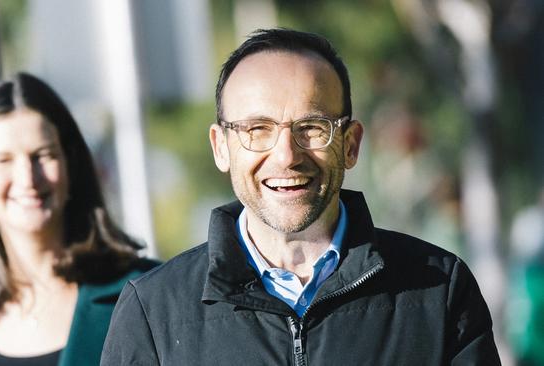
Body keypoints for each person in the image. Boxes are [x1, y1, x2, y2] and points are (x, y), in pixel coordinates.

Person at [101, 29, 501, 365]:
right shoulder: (153, 313)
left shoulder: (438, 292)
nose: (287, 156)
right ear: (221, 147)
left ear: (350, 144)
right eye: (257, 129)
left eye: (311, 127)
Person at [0, 72, 157, 366]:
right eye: (3, 160)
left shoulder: (146, 291)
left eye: (43, 155)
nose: (27, 178)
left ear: (70, 165)